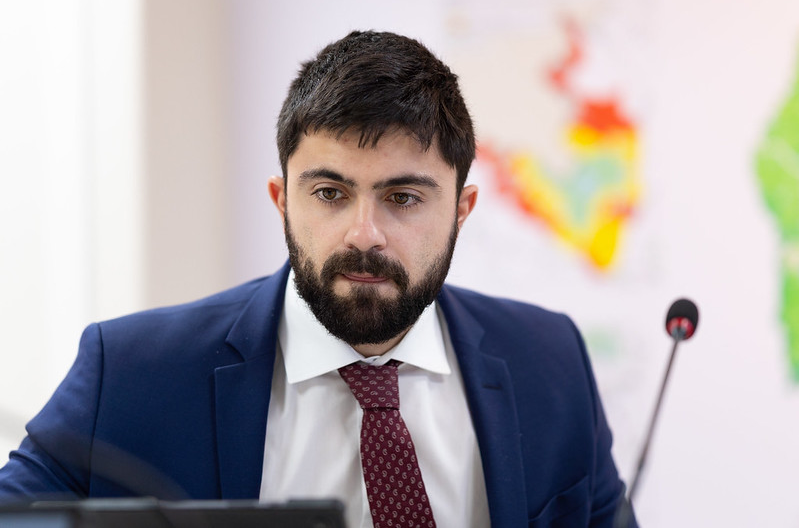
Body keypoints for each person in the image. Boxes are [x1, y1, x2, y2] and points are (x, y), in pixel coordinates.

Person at [0, 30, 635, 527]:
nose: (364, 234)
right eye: (330, 193)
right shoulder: (133, 371)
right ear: (282, 200)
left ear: (461, 210)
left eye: (403, 198)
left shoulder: (549, 361)